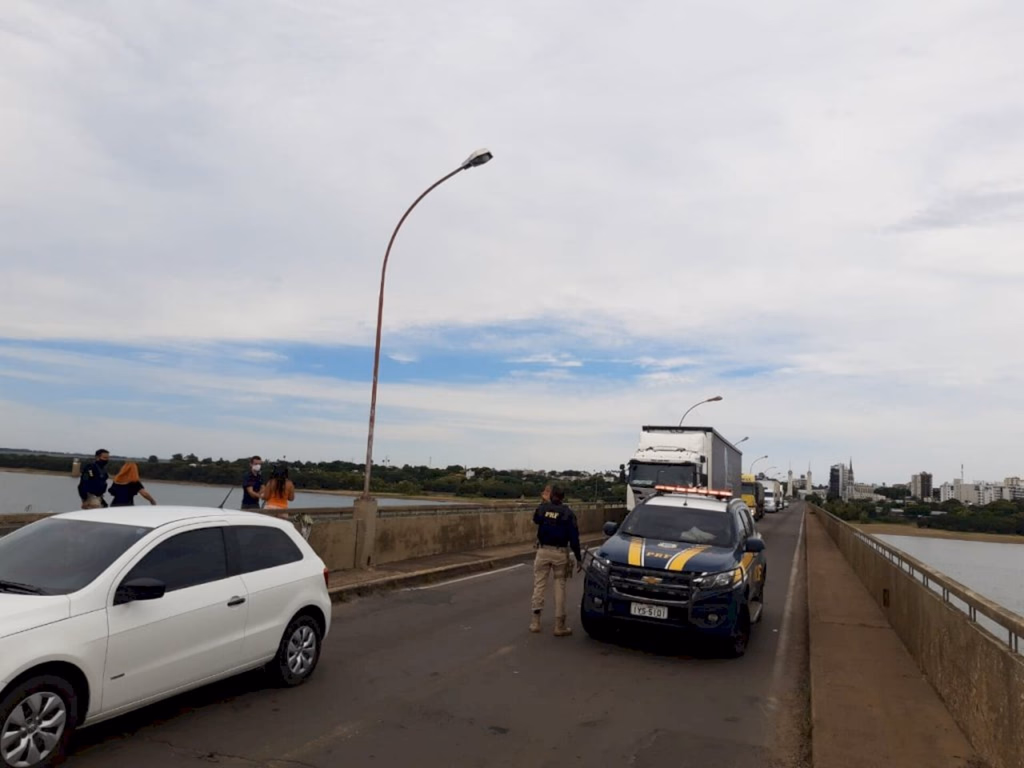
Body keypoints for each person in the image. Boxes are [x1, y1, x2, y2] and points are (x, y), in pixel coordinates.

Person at [530, 484, 582, 637]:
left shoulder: (543, 508)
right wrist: (578, 558)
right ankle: (559, 625)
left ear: (551, 495)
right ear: (563, 497)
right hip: (560, 552)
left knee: (539, 584)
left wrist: (544, 502)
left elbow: (535, 519)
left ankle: (535, 622)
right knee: (560, 587)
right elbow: (574, 539)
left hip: (543, 550)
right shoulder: (568, 513)